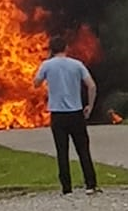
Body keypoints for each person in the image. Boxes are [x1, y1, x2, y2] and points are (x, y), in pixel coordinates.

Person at [32, 36, 100, 195]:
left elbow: (36, 83)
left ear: (51, 50)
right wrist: (89, 105)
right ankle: (90, 184)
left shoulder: (47, 65)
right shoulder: (77, 64)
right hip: (76, 113)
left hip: (58, 115)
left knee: (62, 152)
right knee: (83, 149)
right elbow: (92, 85)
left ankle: (66, 188)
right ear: (66, 48)